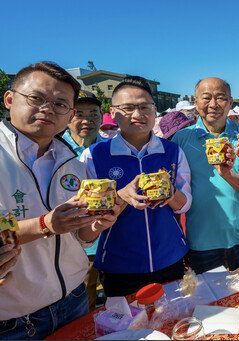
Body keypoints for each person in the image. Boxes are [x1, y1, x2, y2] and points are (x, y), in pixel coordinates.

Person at [0, 62, 118, 340]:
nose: (48, 108)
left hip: (74, 298)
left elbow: (80, 237)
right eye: (37, 98)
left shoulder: (73, 163)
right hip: (15, 319)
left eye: (60, 103)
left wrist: (97, 225)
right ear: (9, 99)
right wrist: (46, 224)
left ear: (70, 114)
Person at [81, 76, 191, 297]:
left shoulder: (172, 151)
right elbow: (86, 220)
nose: (138, 114)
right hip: (119, 265)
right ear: (112, 113)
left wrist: (171, 193)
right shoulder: (94, 156)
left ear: (154, 111)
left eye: (145, 107)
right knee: (129, 328)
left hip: (171, 256)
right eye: (128, 108)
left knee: (175, 320)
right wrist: (120, 196)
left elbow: (185, 203)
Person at [172, 77, 239, 274]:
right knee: (209, 302)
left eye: (220, 98)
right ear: (195, 102)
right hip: (201, 240)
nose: (213, 104)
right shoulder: (181, 139)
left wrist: (227, 173)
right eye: (206, 98)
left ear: (230, 102)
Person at [61, 90, 106, 312]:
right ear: (69, 116)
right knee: (84, 303)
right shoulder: (57, 150)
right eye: (80, 113)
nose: (87, 120)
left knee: (117, 299)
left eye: (94, 113)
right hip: (76, 243)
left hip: (112, 238)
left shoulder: (110, 148)